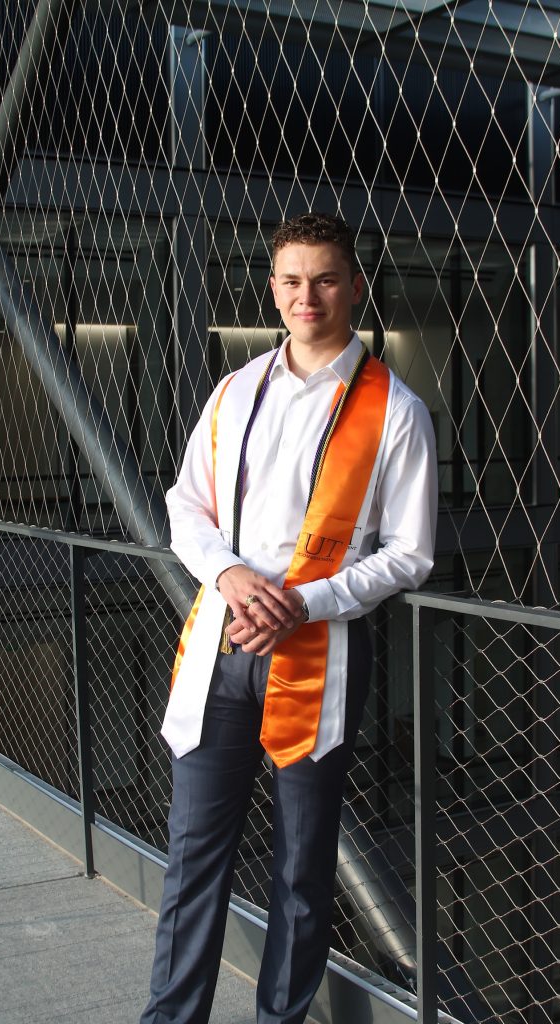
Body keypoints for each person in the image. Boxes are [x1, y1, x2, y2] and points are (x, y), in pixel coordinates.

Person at [141, 212, 437, 1024]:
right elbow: (184, 505)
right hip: (222, 648)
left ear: (354, 287)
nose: (307, 296)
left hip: (319, 654)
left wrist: (302, 601)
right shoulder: (234, 390)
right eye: (292, 280)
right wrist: (232, 574)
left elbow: (409, 555)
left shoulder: (396, 409)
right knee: (194, 854)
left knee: (302, 869)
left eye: (325, 279)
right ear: (272, 289)